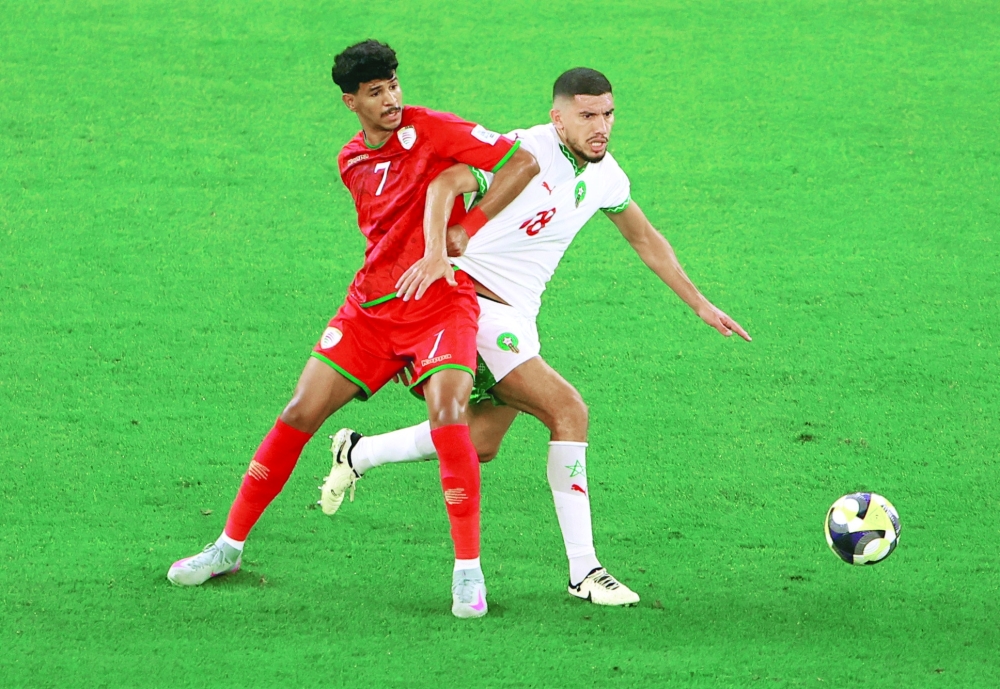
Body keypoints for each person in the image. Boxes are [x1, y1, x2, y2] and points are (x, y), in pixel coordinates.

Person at [319, 67, 751, 607]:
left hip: (518, 316)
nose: (601, 127)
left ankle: (360, 451)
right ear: (558, 116)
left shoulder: (606, 175)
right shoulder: (525, 150)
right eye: (587, 116)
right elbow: (448, 181)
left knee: (481, 443)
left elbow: (645, 237)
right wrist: (448, 243)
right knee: (569, 410)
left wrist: (700, 303)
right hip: (471, 305)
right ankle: (584, 571)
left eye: (609, 114)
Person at [167, 39, 539, 620]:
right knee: (297, 412)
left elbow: (521, 163)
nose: (391, 99)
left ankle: (468, 572)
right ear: (351, 102)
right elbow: (391, 233)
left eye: (394, 85)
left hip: (439, 306)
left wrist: (464, 230)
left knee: (449, 417)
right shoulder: (351, 162)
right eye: (375, 92)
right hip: (369, 312)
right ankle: (227, 548)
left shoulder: (434, 129)